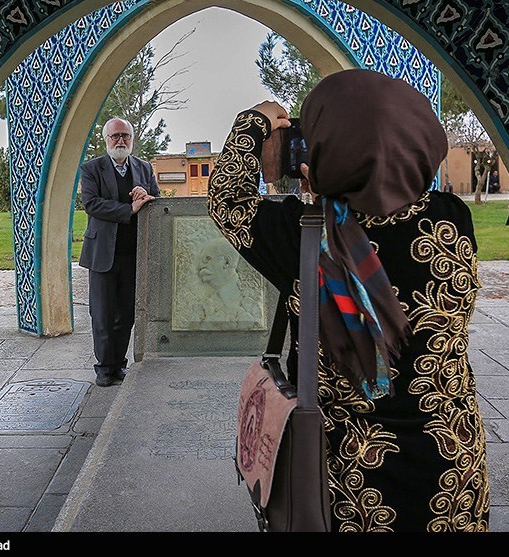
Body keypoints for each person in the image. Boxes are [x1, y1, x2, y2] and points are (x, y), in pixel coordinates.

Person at [207, 69, 489, 532]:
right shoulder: (452, 218)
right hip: (449, 461)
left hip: (346, 476)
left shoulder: (302, 235)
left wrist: (254, 122)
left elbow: (227, 199)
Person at [79, 117, 158, 387]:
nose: (120, 141)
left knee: (126, 314)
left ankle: (118, 365)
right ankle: (103, 367)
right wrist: (128, 209)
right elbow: (91, 204)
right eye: (115, 136)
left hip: (133, 254)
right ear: (106, 140)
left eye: (125, 136)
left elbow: (155, 202)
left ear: (132, 139)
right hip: (102, 253)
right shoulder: (92, 169)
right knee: (102, 314)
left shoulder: (144, 168)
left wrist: (145, 194)